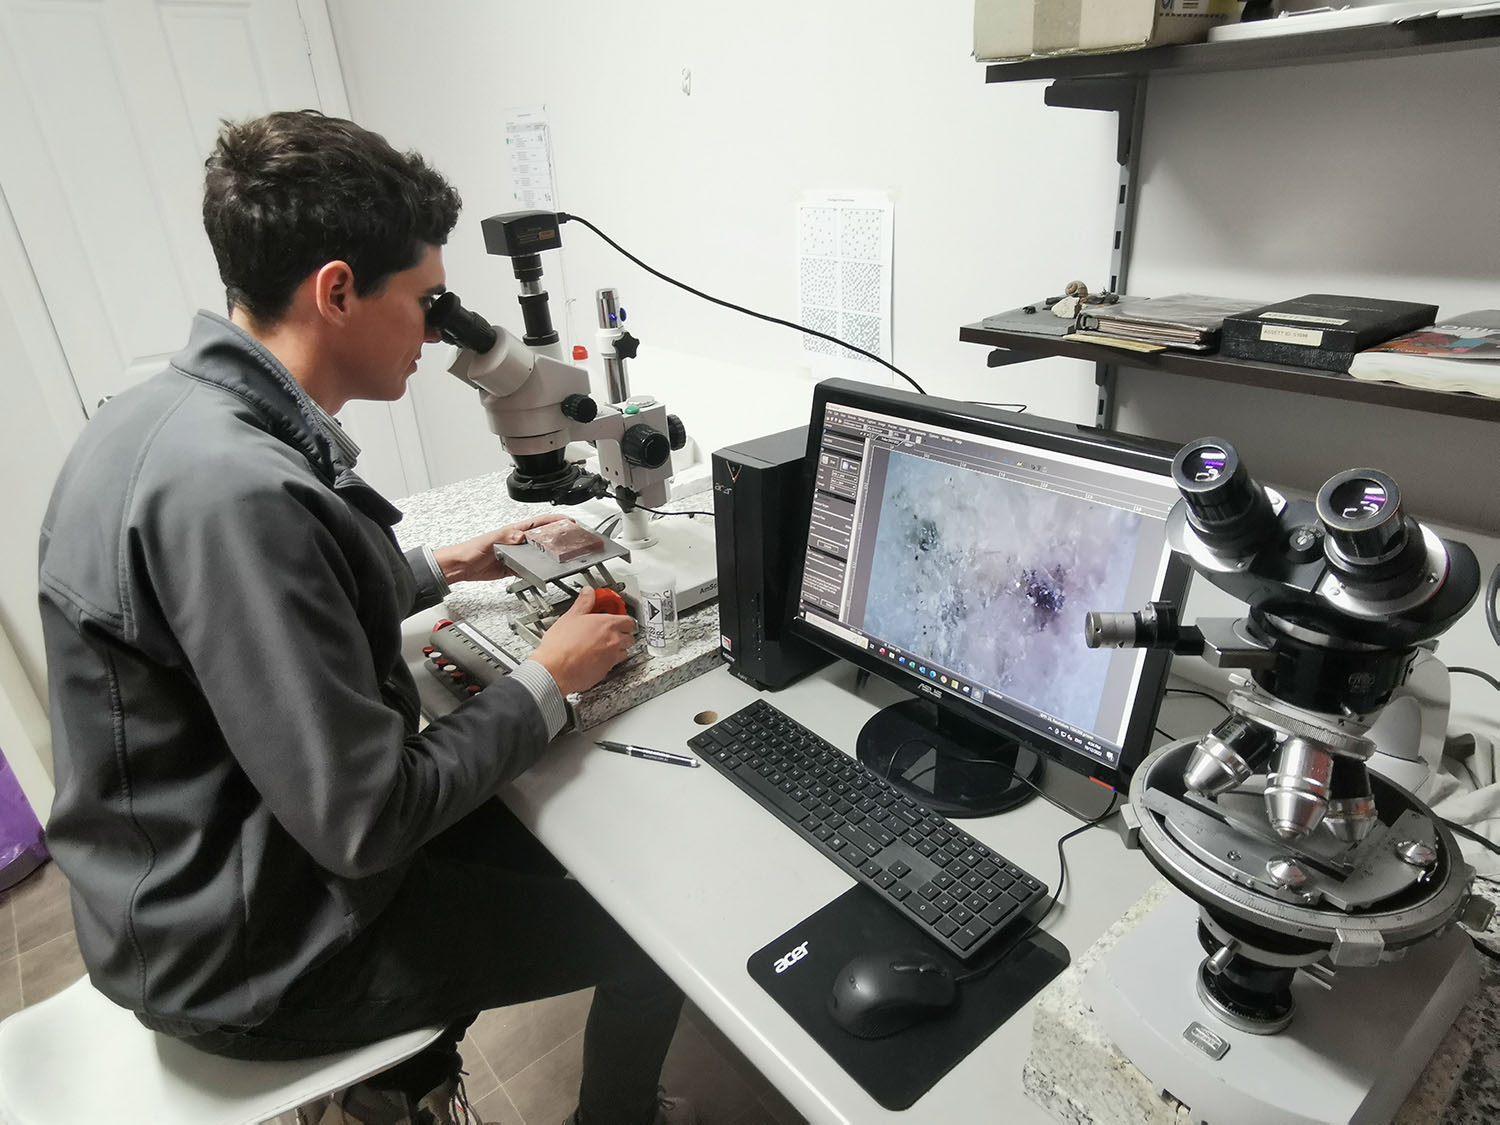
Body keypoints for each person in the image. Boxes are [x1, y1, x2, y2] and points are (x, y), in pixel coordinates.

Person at [38, 110, 691, 1125]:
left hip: (191, 882)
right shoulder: (239, 496)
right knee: (658, 936)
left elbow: (252, 622)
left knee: (536, 838)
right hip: (258, 957)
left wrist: (444, 565)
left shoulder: (165, 420)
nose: (437, 335)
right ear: (337, 291)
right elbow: (369, 821)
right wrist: (551, 676)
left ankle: (395, 1087)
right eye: (426, 303)